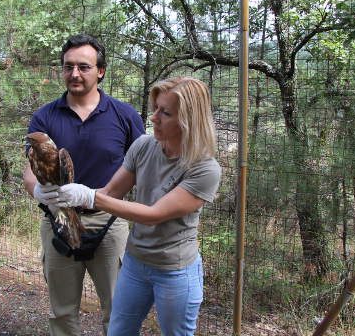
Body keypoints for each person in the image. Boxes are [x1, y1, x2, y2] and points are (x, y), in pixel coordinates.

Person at [38, 76, 222, 335]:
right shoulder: (144, 146)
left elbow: (152, 215)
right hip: (136, 262)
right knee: (118, 330)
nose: (154, 117)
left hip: (175, 269)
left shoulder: (204, 169)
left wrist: (89, 196)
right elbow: (111, 191)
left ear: (189, 120)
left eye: (165, 113)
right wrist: (60, 194)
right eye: (155, 108)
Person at [23, 34, 145, 336]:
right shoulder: (45, 117)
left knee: (118, 308)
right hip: (58, 218)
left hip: (109, 221)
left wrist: (99, 197)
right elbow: (29, 168)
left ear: (100, 71)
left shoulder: (125, 116)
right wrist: (37, 191)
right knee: (62, 311)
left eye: (83, 67)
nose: (74, 73)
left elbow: (141, 168)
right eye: (68, 67)